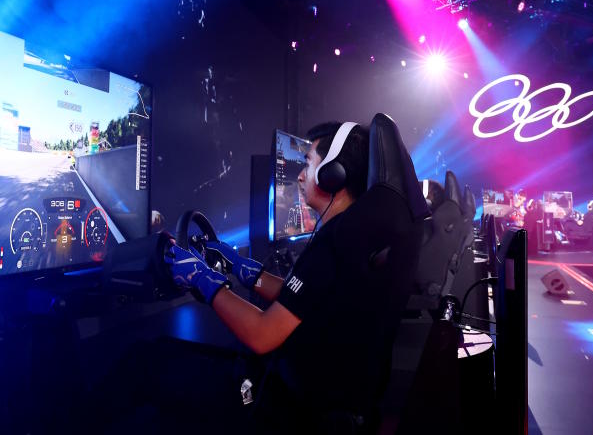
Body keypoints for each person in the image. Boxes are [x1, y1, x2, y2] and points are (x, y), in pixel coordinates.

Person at [164, 120, 427, 433]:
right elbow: (307, 298)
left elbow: (262, 335)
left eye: (309, 163)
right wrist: (244, 269)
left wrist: (201, 278)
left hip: (294, 408)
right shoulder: (354, 237)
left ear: (334, 174)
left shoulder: (335, 242)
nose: (301, 176)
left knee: (147, 362)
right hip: (337, 403)